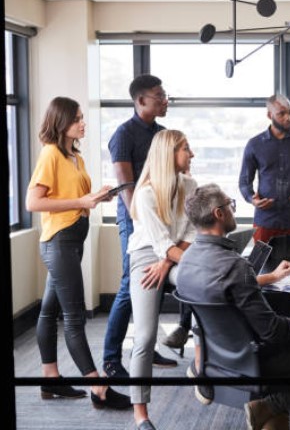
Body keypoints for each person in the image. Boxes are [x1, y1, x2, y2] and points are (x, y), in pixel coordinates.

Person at [177, 183, 290, 430]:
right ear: (218, 214)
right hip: (253, 356)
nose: (232, 210)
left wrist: (269, 278)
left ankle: (269, 409)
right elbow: (273, 332)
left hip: (218, 354)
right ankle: (269, 405)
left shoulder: (186, 261)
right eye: (230, 205)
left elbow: (224, 298)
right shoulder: (234, 266)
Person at [26, 96, 131, 410]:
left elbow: (76, 197)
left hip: (71, 241)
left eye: (83, 118)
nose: (83, 123)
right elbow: (33, 203)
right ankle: (98, 387)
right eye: (77, 119)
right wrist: (82, 203)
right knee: (74, 318)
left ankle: (50, 380)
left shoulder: (75, 157)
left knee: (48, 310)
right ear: (61, 123)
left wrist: (96, 198)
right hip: (58, 242)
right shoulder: (50, 154)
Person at [104, 74, 177, 378]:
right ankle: (110, 359)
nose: (165, 100)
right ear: (141, 100)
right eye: (159, 96)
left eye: (165, 95)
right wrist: (142, 220)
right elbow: (126, 186)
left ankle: (145, 347)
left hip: (161, 218)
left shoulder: (162, 134)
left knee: (156, 283)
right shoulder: (124, 134)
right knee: (128, 284)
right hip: (134, 218)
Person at [128, 129, 196, 430]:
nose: (191, 155)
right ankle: (140, 414)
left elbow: (191, 236)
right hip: (146, 255)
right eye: (186, 149)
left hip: (174, 254)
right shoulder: (145, 195)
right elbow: (159, 243)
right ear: (170, 154)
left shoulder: (191, 185)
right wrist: (164, 259)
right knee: (144, 336)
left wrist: (166, 263)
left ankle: (204, 366)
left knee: (200, 283)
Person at [239, 94, 290, 248]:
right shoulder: (254, 144)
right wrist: (253, 200)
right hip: (265, 222)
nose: (288, 118)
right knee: (264, 269)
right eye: (281, 114)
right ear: (269, 115)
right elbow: (244, 182)